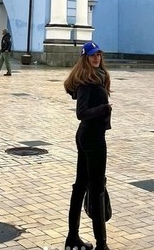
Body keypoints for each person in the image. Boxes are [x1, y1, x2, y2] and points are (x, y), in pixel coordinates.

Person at [63, 41, 112, 250]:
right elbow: (81, 113)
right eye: (92, 55)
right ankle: (101, 244)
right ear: (85, 58)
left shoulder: (97, 78)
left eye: (98, 55)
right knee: (96, 188)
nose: (96, 58)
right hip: (92, 138)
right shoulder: (86, 82)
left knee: (81, 186)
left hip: (90, 136)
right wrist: (104, 109)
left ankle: (72, 240)